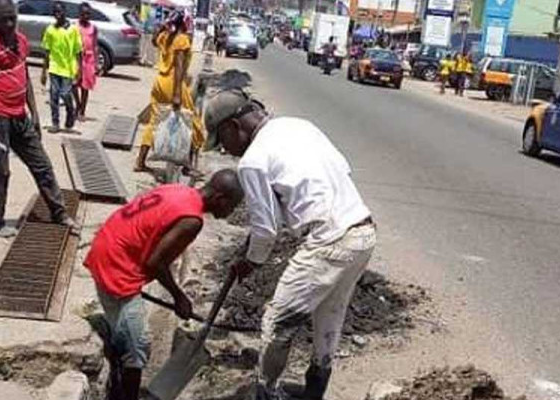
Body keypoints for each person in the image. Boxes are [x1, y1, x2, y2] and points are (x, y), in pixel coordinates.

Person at [204, 89, 377, 400]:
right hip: (362, 232)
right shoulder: (299, 126)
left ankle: (265, 393)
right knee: (329, 321)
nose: (227, 151)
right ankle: (314, 394)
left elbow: (266, 230)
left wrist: (250, 261)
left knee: (277, 321)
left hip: (328, 240)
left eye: (222, 141)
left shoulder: (253, 161)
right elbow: (337, 170)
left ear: (233, 127)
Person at [84, 169, 244, 400]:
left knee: (126, 335)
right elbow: (155, 263)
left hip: (106, 247)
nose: (231, 213)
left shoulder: (179, 190)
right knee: (138, 348)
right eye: (233, 206)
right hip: (117, 267)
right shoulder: (191, 220)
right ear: (221, 199)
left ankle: (118, 371)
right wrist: (179, 297)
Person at [0, 0, 80, 238]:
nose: (11, 24)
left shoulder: (21, 41)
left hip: (20, 116)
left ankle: (59, 213)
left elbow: (26, 77)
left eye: (13, 17)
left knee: (42, 164)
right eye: (5, 19)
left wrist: (34, 113)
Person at [134, 11, 205, 173]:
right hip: (174, 84)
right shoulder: (182, 40)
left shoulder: (165, 36)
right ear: (184, 23)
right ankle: (188, 166)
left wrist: (162, 28)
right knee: (193, 123)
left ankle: (140, 161)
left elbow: (153, 41)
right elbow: (179, 66)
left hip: (159, 82)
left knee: (154, 121)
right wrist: (177, 94)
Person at [41, 1, 82, 133]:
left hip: (68, 68)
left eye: (60, 12)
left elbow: (78, 50)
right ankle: (55, 122)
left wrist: (79, 69)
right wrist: (44, 70)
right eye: (55, 12)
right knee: (53, 96)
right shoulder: (50, 30)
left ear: (65, 12)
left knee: (65, 94)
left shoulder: (73, 29)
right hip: (54, 67)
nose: (58, 15)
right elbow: (46, 51)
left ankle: (71, 111)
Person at [73, 2, 98, 122]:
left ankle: (82, 111)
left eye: (88, 14)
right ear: (79, 14)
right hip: (77, 58)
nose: (86, 16)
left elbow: (95, 45)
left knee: (85, 87)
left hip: (89, 59)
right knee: (73, 84)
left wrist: (96, 63)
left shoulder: (93, 28)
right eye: (83, 14)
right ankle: (77, 104)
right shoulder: (74, 27)